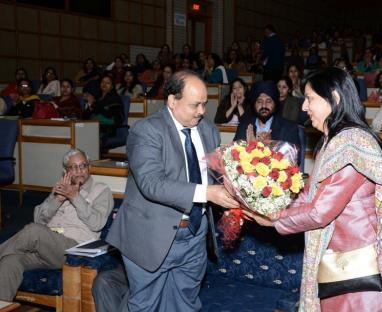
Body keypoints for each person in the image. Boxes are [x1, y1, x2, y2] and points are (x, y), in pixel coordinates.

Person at [244, 67, 382, 312]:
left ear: (335, 98)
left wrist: (273, 220)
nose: (303, 107)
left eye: (310, 99)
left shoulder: (351, 144)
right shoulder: (330, 142)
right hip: (339, 262)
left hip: (361, 268)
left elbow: (321, 211)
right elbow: (310, 194)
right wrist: (267, 200)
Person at [105, 70, 238, 312]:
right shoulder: (146, 130)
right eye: (194, 105)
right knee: (145, 306)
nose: (201, 111)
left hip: (195, 235)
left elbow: (217, 173)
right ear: (172, 101)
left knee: (185, 304)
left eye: (204, 104)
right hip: (150, 235)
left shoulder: (208, 129)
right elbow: (151, 183)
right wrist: (207, 193)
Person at [0, 149, 113, 301]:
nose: (79, 171)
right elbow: (38, 219)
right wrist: (56, 200)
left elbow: (97, 224)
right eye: (73, 167)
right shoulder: (60, 187)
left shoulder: (101, 191)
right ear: (66, 171)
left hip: (72, 250)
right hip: (44, 249)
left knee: (34, 231)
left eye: (83, 165)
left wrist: (75, 197)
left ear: (89, 167)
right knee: (10, 262)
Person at [233, 80, 301, 150]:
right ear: (254, 104)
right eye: (259, 101)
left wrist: (271, 145)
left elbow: (294, 157)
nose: (264, 106)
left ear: (275, 104)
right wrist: (250, 147)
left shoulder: (289, 128)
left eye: (268, 101)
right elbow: (233, 156)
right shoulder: (244, 127)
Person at [82, 75, 124, 145]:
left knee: (90, 140)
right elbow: (84, 117)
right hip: (93, 128)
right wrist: (89, 105)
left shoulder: (115, 98)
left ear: (112, 86)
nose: (104, 84)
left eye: (107, 83)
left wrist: (93, 104)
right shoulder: (97, 97)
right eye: (102, 82)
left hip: (107, 129)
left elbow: (108, 114)